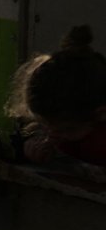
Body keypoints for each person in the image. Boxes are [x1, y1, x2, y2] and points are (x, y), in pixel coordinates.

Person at [8, 25, 106, 166]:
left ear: (101, 114)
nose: (52, 135)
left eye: (67, 129)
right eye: (45, 125)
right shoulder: (63, 123)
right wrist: (31, 143)